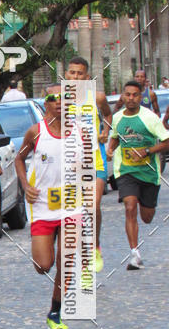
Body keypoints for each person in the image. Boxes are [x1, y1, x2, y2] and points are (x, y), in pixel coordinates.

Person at [15, 84, 81, 329]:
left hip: (72, 206)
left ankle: (55, 310)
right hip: (42, 206)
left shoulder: (81, 133)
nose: (60, 102)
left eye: (65, 98)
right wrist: (25, 185)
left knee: (66, 258)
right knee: (43, 266)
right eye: (54, 98)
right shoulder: (36, 132)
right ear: (46, 104)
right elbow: (19, 159)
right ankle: (44, 246)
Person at [106, 79, 169, 270]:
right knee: (129, 206)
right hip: (126, 171)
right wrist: (110, 149)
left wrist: (147, 151)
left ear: (141, 97)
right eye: (128, 94)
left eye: (135, 95)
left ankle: (144, 200)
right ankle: (135, 254)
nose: (131, 98)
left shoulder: (150, 118)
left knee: (147, 217)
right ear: (123, 96)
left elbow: (166, 141)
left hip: (149, 173)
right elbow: (116, 138)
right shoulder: (117, 118)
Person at [64, 56, 112, 272]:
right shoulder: (59, 99)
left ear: (87, 76)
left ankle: (95, 245)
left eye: (80, 73)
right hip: (70, 162)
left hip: (95, 159)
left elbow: (108, 115)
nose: (75, 77)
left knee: (93, 205)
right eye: (72, 72)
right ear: (66, 74)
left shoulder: (97, 97)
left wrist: (105, 131)